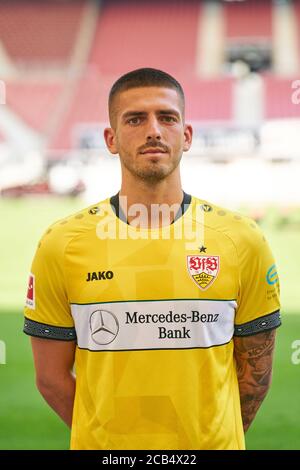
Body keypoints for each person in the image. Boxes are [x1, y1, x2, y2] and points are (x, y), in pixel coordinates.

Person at [24, 68, 281, 450]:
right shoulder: (62, 244)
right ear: (110, 139)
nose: (154, 130)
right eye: (135, 119)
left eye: (167, 117)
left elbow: (254, 374)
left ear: (187, 135)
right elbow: (51, 378)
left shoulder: (241, 240)